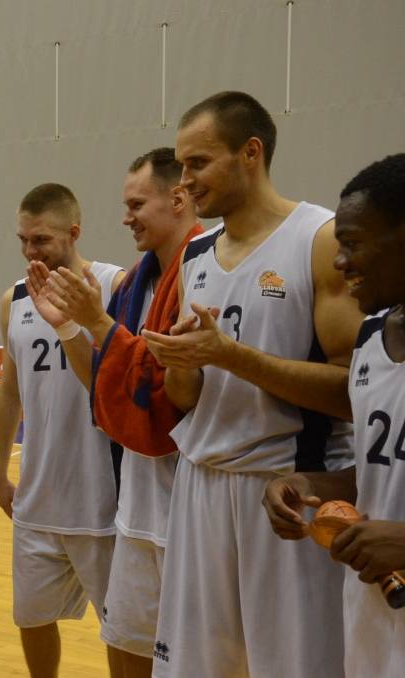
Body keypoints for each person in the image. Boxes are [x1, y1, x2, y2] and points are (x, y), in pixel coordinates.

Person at [141, 91, 361, 677]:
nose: (184, 181)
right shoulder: (196, 255)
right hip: (200, 485)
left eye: (198, 163)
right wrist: (181, 363)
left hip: (286, 490)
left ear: (251, 153)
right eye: (181, 166)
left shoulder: (319, 239)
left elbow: (352, 391)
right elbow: (187, 399)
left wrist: (231, 356)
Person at [25, 149, 202, 676]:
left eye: (136, 205)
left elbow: (175, 393)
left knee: (190, 660)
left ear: (178, 199)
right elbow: (103, 384)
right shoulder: (134, 285)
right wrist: (67, 327)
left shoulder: (204, 272)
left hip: (189, 503)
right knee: (125, 650)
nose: (126, 217)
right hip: (136, 499)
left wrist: (97, 322)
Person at [263, 153, 405, 678]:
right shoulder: (368, 341)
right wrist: (306, 483)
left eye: (353, 243)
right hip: (372, 621)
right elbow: (379, 475)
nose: (340, 262)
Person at [0, 183, 123, 677]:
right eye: (23, 240)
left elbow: (124, 381)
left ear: (74, 232)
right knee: (32, 617)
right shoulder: (14, 299)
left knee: (123, 629)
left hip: (102, 497)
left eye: (41, 240)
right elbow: (9, 391)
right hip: (38, 497)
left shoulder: (114, 285)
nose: (30, 251)